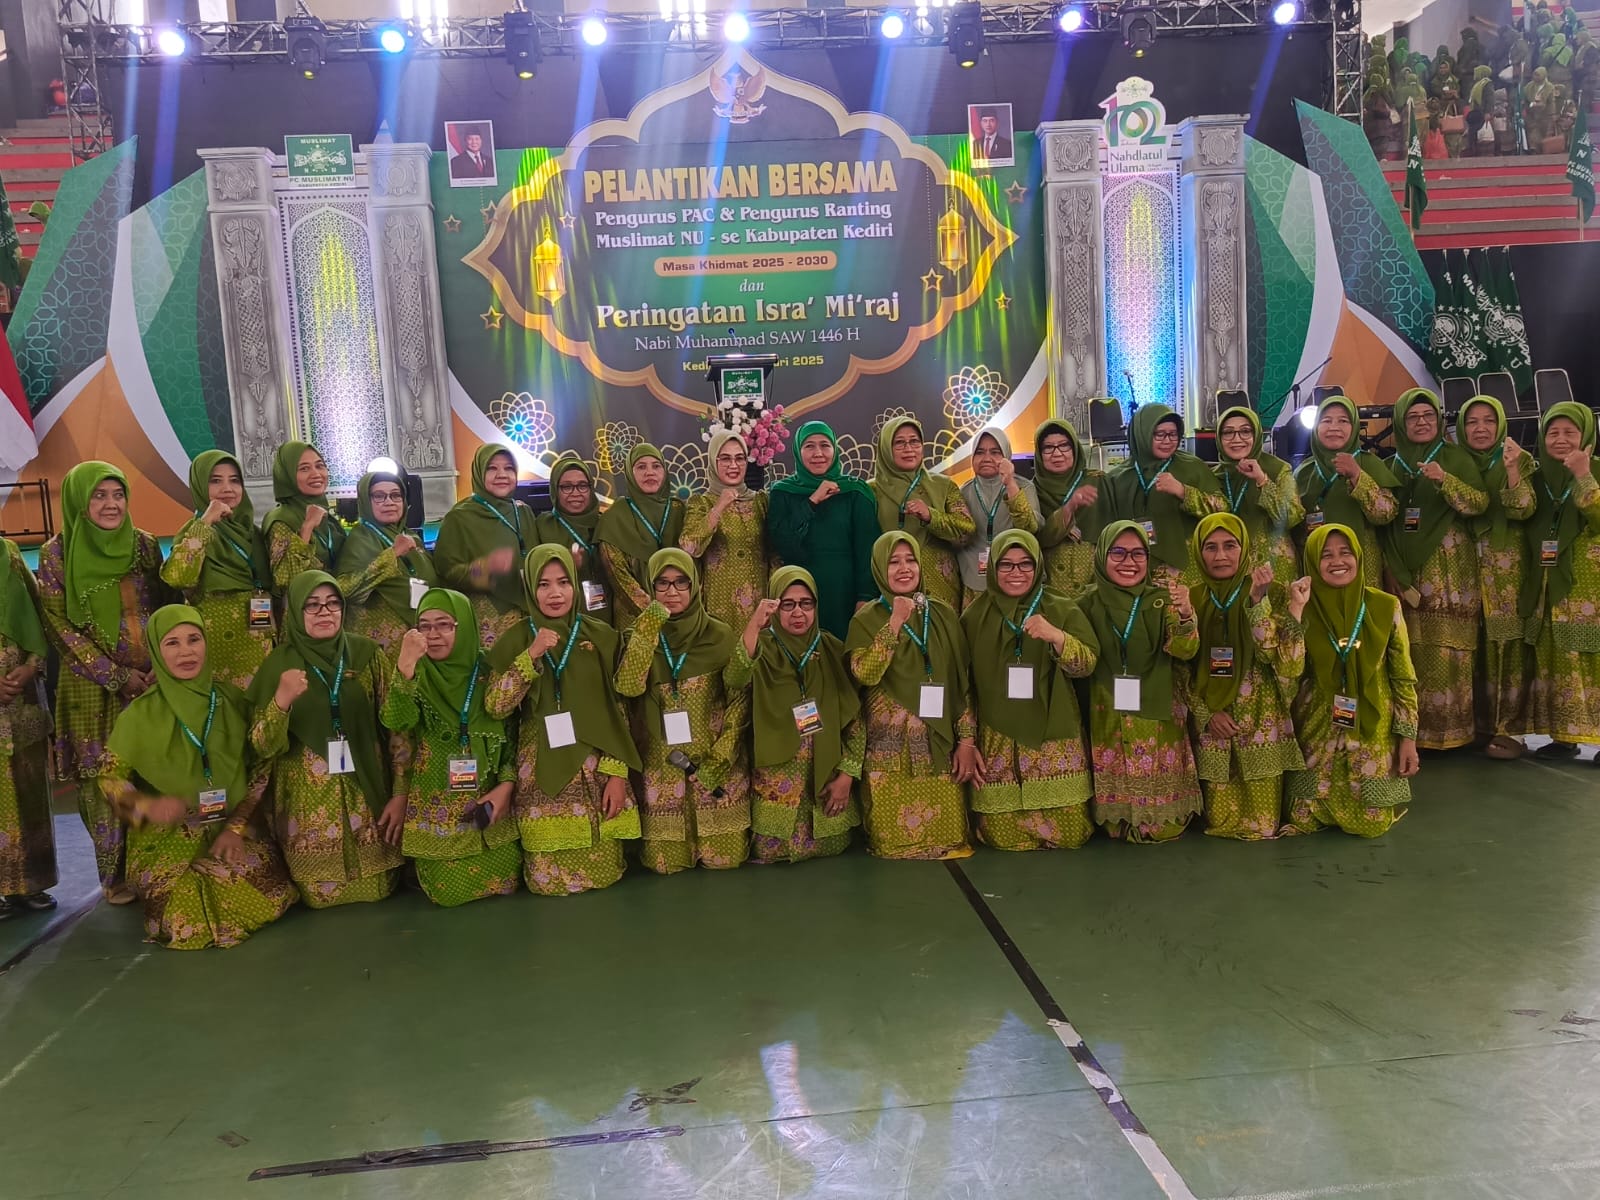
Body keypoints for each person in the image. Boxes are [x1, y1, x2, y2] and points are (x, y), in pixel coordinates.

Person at [100, 606, 296, 948]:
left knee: (263, 893)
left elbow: (263, 762)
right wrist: (146, 807)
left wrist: (236, 827)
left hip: (232, 825)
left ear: (207, 644)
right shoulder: (140, 714)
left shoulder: (231, 699)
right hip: (170, 836)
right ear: (157, 653)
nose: (186, 651)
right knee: (183, 915)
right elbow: (108, 778)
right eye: (172, 643)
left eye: (194, 639)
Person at [36, 461, 170, 903]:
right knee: (105, 780)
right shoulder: (58, 554)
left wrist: (157, 666)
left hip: (151, 680)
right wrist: (116, 675)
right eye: (99, 495)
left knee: (153, 770)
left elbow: (164, 605)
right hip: (89, 688)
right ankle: (115, 876)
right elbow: (59, 627)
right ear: (79, 500)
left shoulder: (145, 546)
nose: (111, 504)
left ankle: (157, 862)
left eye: (118, 495)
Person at [485, 546, 642, 895]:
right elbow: (496, 706)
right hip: (541, 771)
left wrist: (616, 775)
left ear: (575, 585)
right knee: (546, 884)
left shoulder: (600, 635)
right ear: (530, 589)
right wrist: (531, 655)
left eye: (563, 583)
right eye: (543, 584)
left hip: (595, 770)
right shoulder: (517, 638)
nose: (555, 593)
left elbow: (618, 710)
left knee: (605, 877)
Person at [247, 571, 405, 907]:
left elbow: (398, 727)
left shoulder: (366, 655)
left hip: (368, 797)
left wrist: (401, 792)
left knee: (379, 889)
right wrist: (281, 702)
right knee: (321, 896)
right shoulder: (280, 663)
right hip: (308, 814)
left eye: (333, 604)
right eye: (313, 605)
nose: (324, 612)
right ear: (296, 613)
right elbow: (260, 746)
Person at [382, 589, 521, 907]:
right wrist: (404, 670)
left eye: (444, 624)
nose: (433, 635)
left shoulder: (487, 671)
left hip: (493, 815)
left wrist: (507, 786)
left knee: (507, 893)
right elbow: (398, 726)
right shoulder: (414, 674)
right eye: (425, 626)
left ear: (464, 626)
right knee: (450, 897)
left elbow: (512, 733)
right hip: (438, 822)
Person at [960, 530, 1098, 850]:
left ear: (1038, 567)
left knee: (1071, 834)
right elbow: (963, 685)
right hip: (998, 737)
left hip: (1053, 731)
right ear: (992, 569)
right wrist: (967, 739)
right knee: (1000, 837)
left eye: (1025, 564)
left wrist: (1057, 637)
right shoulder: (974, 616)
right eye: (1006, 565)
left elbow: (1087, 664)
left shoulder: (1060, 606)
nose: (1016, 573)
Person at [615, 549, 749, 873]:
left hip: (714, 762)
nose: (672, 592)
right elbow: (629, 687)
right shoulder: (638, 634)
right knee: (666, 865)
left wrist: (722, 757)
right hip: (661, 766)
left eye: (681, 583)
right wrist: (649, 626)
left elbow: (739, 700)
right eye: (662, 584)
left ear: (696, 586)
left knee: (725, 860)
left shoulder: (720, 635)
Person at [846, 531, 978, 859]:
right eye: (893, 562)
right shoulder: (865, 619)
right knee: (892, 846)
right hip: (888, 752)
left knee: (947, 840)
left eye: (910, 560)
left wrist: (967, 741)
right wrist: (893, 623)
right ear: (879, 568)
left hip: (938, 746)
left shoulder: (943, 614)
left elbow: (961, 682)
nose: (904, 568)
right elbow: (864, 673)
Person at [1284, 525, 1419, 836]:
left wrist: (1408, 738)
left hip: (1373, 731)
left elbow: (1403, 676)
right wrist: (1295, 611)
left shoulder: (1385, 606)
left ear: (1359, 557)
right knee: (1304, 819)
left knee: (1372, 824)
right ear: (1312, 562)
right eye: (1326, 555)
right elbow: (1287, 670)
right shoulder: (1303, 605)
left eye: (1345, 552)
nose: (1337, 561)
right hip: (1317, 727)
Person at [1077, 521, 1203, 842]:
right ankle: (1119, 819)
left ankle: (1160, 817)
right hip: (1107, 704)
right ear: (1102, 555)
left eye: (1138, 554)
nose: (1129, 562)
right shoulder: (1085, 603)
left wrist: (1187, 614)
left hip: (1159, 704)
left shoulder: (1162, 600)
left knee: (1162, 807)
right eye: (1118, 552)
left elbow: (1185, 650)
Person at [1185, 514, 1307, 840]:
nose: (1220, 556)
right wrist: (1207, 714)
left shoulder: (1274, 592)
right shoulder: (1191, 598)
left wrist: (1257, 602)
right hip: (1214, 719)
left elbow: (1280, 659)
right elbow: (1179, 667)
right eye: (1210, 547)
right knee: (1218, 823)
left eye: (1230, 546)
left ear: (1245, 548)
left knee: (1263, 826)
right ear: (1198, 552)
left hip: (1260, 719)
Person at [732, 566, 863, 863]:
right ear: (775, 608)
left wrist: (846, 777)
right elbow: (735, 677)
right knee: (769, 850)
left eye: (806, 603)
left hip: (826, 773)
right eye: (787, 604)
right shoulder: (761, 648)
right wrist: (754, 625)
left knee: (835, 845)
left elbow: (855, 720)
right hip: (777, 778)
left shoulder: (831, 648)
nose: (798, 613)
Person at [1383, 388, 1488, 752]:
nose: (1423, 421)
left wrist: (1445, 480)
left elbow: (1478, 504)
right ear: (1400, 423)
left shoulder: (1456, 459)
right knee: (1413, 651)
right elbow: (1386, 524)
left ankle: (1455, 735)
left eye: (1429, 415)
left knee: (1450, 651)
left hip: (1452, 574)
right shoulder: (1393, 466)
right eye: (1413, 417)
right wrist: (1394, 570)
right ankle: (1417, 735)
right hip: (1410, 573)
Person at [1518, 402, 1600, 759]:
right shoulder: (1538, 478)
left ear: (1587, 435)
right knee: (1555, 657)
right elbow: (1517, 509)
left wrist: (1583, 474)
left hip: (1587, 585)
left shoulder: (1596, 470)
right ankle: (1564, 737)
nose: (1561, 439)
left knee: (1591, 659)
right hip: (1546, 584)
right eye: (1553, 432)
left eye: (1570, 432)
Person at [1455, 396, 1535, 758]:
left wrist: (1513, 470)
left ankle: (1511, 731)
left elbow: (1522, 509)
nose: (1481, 428)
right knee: (1478, 648)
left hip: (1507, 568)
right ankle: (1481, 725)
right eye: (1472, 422)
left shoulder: (1519, 460)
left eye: (1489, 420)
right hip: (1467, 567)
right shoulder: (1457, 464)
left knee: (1508, 648)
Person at [162, 450, 276, 688]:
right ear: (200, 486)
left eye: (235, 480)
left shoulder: (251, 532)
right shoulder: (193, 531)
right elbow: (177, 577)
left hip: (258, 639)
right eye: (215, 480)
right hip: (215, 644)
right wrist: (205, 523)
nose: (228, 488)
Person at [767, 420, 879, 639]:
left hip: (845, 593)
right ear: (798, 452)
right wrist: (811, 501)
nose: (818, 452)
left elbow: (868, 550)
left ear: (835, 450)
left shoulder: (855, 491)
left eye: (825, 445)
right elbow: (781, 543)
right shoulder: (783, 492)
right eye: (809, 446)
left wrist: (865, 597)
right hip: (798, 594)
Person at [433, 444, 541, 650]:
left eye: (509, 468)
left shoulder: (523, 512)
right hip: (488, 619)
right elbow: (446, 572)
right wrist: (485, 567)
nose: (502, 474)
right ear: (479, 472)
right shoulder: (459, 516)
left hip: (530, 612)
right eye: (492, 468)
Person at [1105, 404, 1224, 590]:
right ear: (1142, 434)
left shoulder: (1192, 467)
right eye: (1159, 434)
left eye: (1173, 434)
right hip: (1130, 568)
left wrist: (1183, 492)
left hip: (1184, 571)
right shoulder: (1118, 477)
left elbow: (1223, 510)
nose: (1167, 441)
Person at [0, 537, 54, 919]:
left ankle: (30, 884)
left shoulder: (9, 554)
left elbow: (41, 613)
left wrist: (33, 663)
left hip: (23, 700)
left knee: (28, 788)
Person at [1293, 395, 1399, 587]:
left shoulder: (1370, 463)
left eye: (1343, 421)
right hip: (1317, 570)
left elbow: (1386, 514)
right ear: (1316, 428)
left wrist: (1357, 476)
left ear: (1355, 427)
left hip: (1363, 568)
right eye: (1326, 421)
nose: (1334, 427)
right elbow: (1294, 526)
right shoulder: (1304, 471)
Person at [870, 416, 976, 609]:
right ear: (886, 448)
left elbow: (967, 532)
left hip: (940, 584)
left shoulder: (943, 485)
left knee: (942, 635)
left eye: (914, 442)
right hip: (891, 582)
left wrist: (931, 516)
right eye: (899, 443)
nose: (909, 449)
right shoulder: (871, 491)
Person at [335, 470, 433, 665]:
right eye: (379, 496)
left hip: (419, 640)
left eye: (396, 495)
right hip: (380, 647)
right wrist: (392, 554)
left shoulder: (412, 538)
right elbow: (344, 588)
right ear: (366, 501)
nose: (389, 502)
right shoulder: (359, 539)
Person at [681, 431, 770, 631]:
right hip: (719, 604)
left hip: (760, 602)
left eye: (740, 458)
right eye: (725, 459)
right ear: (713, 461)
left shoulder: (761, 501)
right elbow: (688, 547)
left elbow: (774, 554)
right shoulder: (701, 502)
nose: (733, 465)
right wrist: (719, 507)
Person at [597, 444, 684, 630]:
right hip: (635, 619)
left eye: (656, 466)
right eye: (641, 467)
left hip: (682, 613)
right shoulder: (615, 517)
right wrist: (657, 615)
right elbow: (619, 577)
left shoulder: (680, 510)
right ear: (630, 472)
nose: (650, 472)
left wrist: (682, 606)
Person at [1213, 406, 1304, 586]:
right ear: (1218, 437)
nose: (1237, 439)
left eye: (1245, 431)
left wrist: (1262, 480)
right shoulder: (1214, 476)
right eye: (1228, 433)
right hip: (1228, 567)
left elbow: (1293, 516)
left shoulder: (1278, 470)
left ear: (1256, 436)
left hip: (1275, 571)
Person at [956, 427, 1041, 609]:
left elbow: (1029, 528)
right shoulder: (963, 491)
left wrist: (1010, 483)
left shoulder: (1024, 487)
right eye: (980, 452)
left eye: (995, 452)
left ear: (1007, 456)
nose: (987, 458)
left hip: (1015, 578)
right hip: (974, 581)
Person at [1032, 418, 1108, 597]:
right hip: (1052, 586)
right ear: (1039, 453)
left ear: (1075, 449)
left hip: (1096, 580)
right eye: (1048, 448)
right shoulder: (1032, 490)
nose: (1057, 453)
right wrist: (1069, 508)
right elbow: (1039, 537)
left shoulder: (1099, 481)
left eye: (1064, 445)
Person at [535, 453, 611, 625]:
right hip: (559, 613)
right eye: (566, 487)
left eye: (582, 486)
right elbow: (532, 572)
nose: (575, 493)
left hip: (605, 611)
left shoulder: (605, 523)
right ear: (555, 489)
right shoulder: (542, 525)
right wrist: (564, 567)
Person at [261, 441, 347, 588]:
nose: (316, 474)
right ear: (286, 475)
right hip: (303, 607)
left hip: (332, 605)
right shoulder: (281, 519)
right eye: (304, 469)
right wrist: (307, 527)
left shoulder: (329, 519)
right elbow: (286, 579)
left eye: (320, 466)